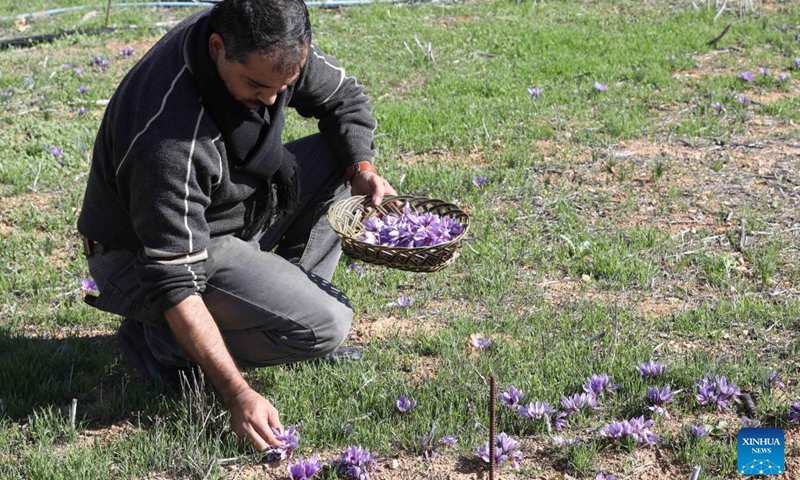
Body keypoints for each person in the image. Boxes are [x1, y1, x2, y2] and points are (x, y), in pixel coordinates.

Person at [77, 0, 396, 451]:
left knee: (337, 159)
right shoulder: (170, 140)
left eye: (283, 85)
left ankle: (280, 319)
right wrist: (236, 392)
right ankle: (165, 345)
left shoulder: (271, 48)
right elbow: (173, 279)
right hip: (138, 256)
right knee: (327, 324)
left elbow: (345, 99)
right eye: (256, 85)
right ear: (217, 48)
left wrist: (361, 165)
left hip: (225, 211)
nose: (271, 99)